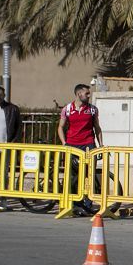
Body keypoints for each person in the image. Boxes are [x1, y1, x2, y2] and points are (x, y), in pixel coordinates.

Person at [57, 83, 102, 216]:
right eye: (87, 93)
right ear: (79, 94)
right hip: (72, 145)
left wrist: (101, 145)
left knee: (89, 174)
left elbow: (97, 127)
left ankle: (87, 204)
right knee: (72, 175)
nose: (89, 96)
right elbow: (60, 127)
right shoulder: (67, 109)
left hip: (88, 144)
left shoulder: (93, 109)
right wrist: (64, 142)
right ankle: (73, 204)